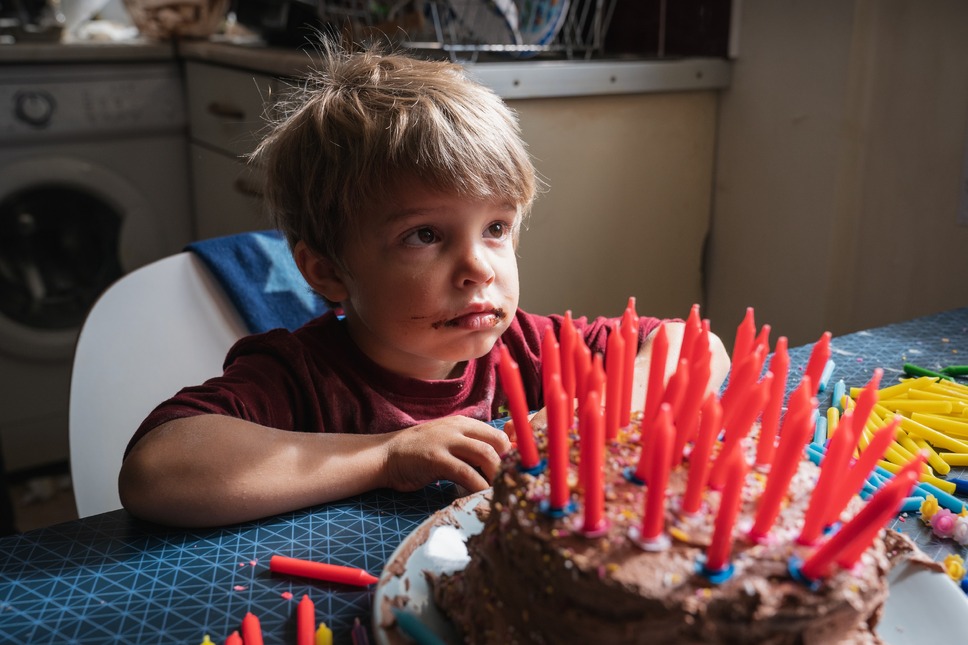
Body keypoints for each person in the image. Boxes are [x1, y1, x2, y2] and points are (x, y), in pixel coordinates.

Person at [119, 44, 729, 528]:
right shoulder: (302, 378)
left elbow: (696, 347)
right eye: (425, 236)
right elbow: (157, 470)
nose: (479, 268)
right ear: (327, 271)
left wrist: (585, 417)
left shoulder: (526, 347)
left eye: (496, 228)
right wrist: (386, 456)